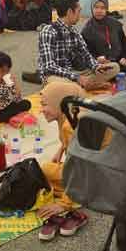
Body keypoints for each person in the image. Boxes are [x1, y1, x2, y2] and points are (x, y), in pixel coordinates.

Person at [34, 79, 89, 239]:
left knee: (44, 170)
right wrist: (62, 149)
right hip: (92, 170)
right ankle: (74, 191)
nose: (41, 110)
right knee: (46, 171)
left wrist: (63, 204)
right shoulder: (70, 116)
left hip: (90, 174)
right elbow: (77, 146)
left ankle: (76, 194)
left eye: (45, 105)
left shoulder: (68, 126)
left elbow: (79, 166)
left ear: (60, 103)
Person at [35, 0, 120, 90]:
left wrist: (96, 67)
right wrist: (76, 77)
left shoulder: (74, 32)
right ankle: (86, 85)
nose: (80, 15)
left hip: (74, 73)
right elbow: (49, 66)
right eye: (78, 11)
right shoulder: (48, 31)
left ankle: (84, 85)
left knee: (114, 67)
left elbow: (86, 55)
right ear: (70, 12)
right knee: (60, 85)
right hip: (55, 75)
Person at [81, 0, 126, 69]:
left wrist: (124, 57)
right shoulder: (87, 30)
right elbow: (86, 52)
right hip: (102, 65)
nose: (99, 11)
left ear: (106, 9)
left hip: (121, 60)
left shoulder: (115, 24)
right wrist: (97, 58)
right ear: (92, 9)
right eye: (96, 7)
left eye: (102, 8)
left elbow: (124, 44)